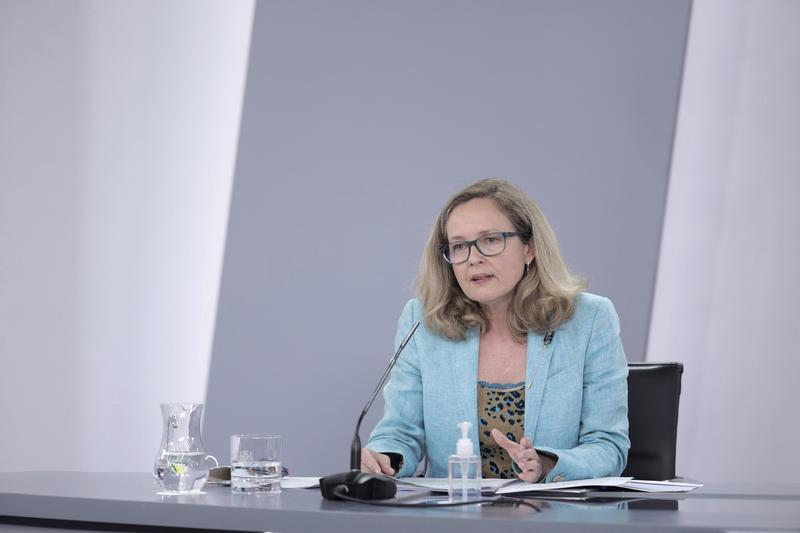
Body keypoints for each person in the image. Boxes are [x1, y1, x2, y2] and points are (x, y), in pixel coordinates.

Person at [362, 178, 629, 483]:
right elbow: (400, 432)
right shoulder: (423, 321)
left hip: (551, 509)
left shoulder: (589, 319)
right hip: (453, 509)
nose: (473, 258)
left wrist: (547, 464)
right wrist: (386, 458)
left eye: (490, 240)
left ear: (529, 248)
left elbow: (608, 446)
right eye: (459, 246)